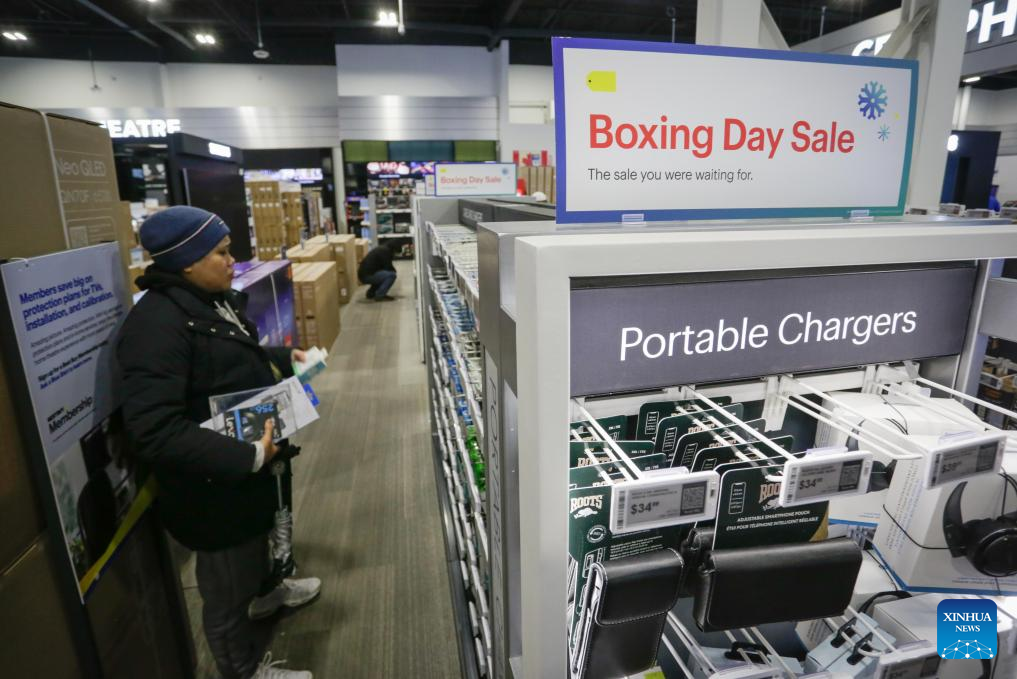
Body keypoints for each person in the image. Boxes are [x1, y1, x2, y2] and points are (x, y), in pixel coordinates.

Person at [117, 206, 319, 679]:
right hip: (212, 486)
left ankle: (268, 592)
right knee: (226, 590)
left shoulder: (208, 300)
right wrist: (248, 454)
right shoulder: (155, 327)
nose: (233, 261)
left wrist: (279, 357)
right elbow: (154, 429)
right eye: (222, 253)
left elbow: (224, 359)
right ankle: (241, 670)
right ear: (187, 262)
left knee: (260, 540)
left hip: (246, 467)